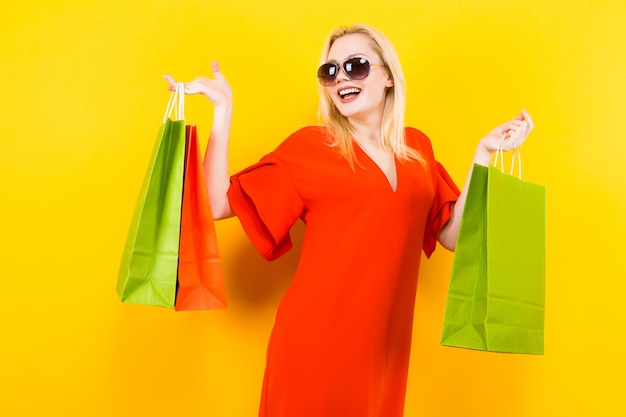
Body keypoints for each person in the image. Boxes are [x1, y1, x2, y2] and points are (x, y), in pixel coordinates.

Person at [164, 23, 533, 417]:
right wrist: (223, 112)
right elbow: (217, 203)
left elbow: (455, 235)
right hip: (314, 347)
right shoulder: (311, 147)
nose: (341, 78)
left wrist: (484, 154)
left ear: (388, 75)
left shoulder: (417, 149)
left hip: (384, 354)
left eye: (355, 66)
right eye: (330, 71)